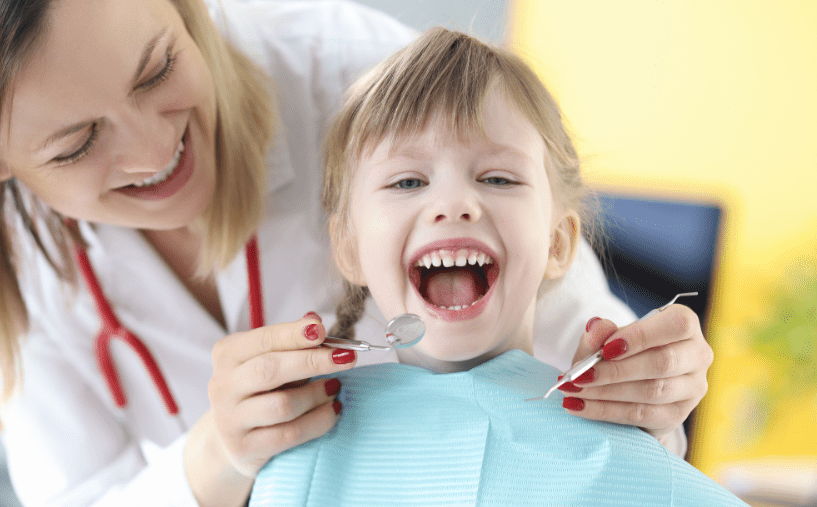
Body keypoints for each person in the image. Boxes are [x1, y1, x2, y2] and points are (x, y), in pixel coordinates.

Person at [0, 0, 712, 506]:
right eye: (75, 145)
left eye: (155, 70)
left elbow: (572, 368)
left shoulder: (369, 87)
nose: (150, 152)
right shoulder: (15, 256)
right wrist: (215, 460)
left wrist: (647, 396)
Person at [248, 27, 741, 506]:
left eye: (499, 178)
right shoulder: (299, 454)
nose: (454, 203)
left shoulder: (622, 455)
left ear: (558, 243)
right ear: (349, 248)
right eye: (406, 182)